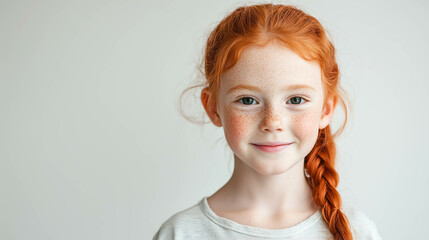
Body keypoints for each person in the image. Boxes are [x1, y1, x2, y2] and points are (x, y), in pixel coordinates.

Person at [153, 3, 382, 240]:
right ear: (213, 108)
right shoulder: (180, 233)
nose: (273, 122)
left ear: (326, 110)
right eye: (248, 100)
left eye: (295, 99)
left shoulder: (357, 232)